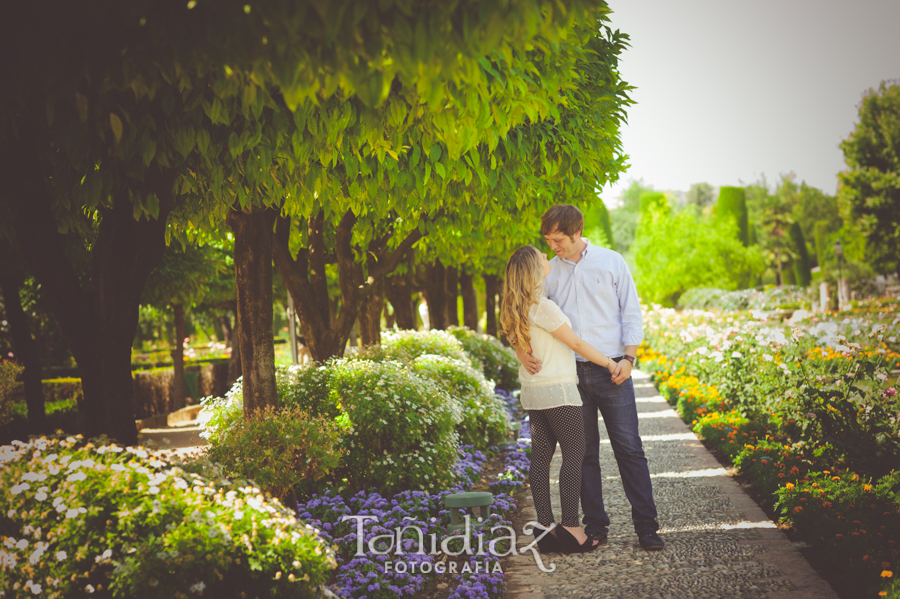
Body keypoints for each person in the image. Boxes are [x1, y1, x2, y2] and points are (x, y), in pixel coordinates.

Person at [516, 205, 664, 552]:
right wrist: (521, 349)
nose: (552, 246)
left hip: (613, 370)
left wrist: (629, 357)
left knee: (630, 450)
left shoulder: (611, 262)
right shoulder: (547, 272)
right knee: (582, 455)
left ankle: (647, 527)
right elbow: (524, 309)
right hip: (570, 374)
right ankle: (595, 527)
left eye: (557, 239)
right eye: (547, 240)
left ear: (577, 233)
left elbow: (631, 311)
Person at [501, 245, 616, 554]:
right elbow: (576, 342)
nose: (545, 257)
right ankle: (570, 527)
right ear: (533, 270)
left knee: (540, 457)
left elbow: (519, 344)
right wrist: (609, 362)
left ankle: (545, 528)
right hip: (558, 389)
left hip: (534, 390)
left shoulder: (516, 308)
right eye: (541, 256)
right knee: (575, 452)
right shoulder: (543, 306)